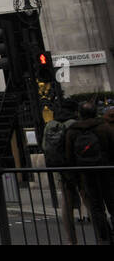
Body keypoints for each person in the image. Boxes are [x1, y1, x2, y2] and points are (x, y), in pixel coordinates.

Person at [65, 102, 114, 243]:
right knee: (112, 203)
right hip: (106, 171)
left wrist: (75, 177)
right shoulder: (103, 127)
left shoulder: (73, 131)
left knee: (97, 207)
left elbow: (69, 156)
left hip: (86, 173)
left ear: (79, 114)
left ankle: (105, 236)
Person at [43, 98, 83, 244]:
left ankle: (71, 239)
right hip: (78, 167)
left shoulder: (50, 125)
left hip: (61, 169)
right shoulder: (74, 124)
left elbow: (45, 147)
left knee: (66, 203)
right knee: (88, 198)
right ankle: (101, 235)